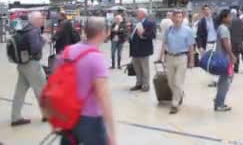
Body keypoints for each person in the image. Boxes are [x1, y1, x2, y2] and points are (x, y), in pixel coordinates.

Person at [58, 17, 117, 145]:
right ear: (103, 33)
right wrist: (112, 132)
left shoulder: (68, 51)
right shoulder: (97, 58)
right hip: (90, 119)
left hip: (68, 115)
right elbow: (103, 96)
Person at [11, 12, 47, 127]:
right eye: (41, 18)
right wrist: (43, 40)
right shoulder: (34, 31)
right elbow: (35, 49)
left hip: (22, 64)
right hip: (32, 65)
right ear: (35, 20)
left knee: (20, 91)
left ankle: (15, 117)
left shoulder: (24, 29)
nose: (43, 20)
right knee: (42, 89)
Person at [158, 10, 195, 114]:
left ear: (182, 18)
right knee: (170, 82)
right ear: (172, 18)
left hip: (182, 57)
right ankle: (179, 94)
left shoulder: (188, 30)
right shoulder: (169, 30)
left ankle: (174, 104)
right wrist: (161, 57)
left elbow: (191, 46)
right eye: (176, 17)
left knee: (178, 81)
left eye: (180, 17)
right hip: (169, 57)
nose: (178, 19)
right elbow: (164, 44)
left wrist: (191, 61)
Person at [214, 9, 237, 112]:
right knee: (225, 81)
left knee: (226, 79)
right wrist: (231, 55)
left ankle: (218, 100)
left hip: (223, 58)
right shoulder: (223, 29)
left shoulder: (221, 28)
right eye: (229, 16)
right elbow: (225, 43)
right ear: (224, 18)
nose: (231, 18)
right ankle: (219, 104)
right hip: (225, 59)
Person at [129, 8, 155, 92]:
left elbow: (152, 35)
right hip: (135, 50)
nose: (137, 14)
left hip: (143, 50)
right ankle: (138, 83)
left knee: (144, 68)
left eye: (138, 13)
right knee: (137, 68)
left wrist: (143, 34)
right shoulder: (137, 23)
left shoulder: (149, 23)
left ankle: (145, 85)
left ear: (143, 14)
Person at [196, 5, 219, 87]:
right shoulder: (201, 22)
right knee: (210, 63)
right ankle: (214, 80)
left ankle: (217, 79)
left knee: (218, 61)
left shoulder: (216, 19)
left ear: (210, 10)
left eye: (208, 9)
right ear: (203, 12)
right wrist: (200, 47)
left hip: (217, 43)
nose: (207, 11)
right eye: (205, 10)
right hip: (208, 44)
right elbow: (198, 35)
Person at [229, 9, 243, 73]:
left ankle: (231, 68)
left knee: (231, 54)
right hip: (239, 41)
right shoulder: (240, 21)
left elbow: (229, 30)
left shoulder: (230, 21)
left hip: (232, 41)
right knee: (237, 55)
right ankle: (236, 68)